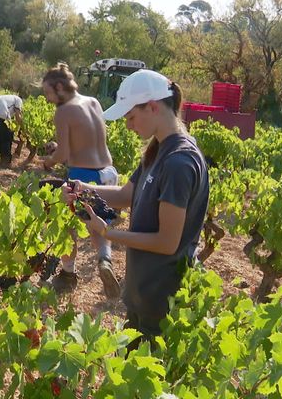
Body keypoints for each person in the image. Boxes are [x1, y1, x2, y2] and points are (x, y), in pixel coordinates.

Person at [64, 70, 209, 341]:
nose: (129, 126)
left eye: (131, 117)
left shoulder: (179, 162)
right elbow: (124, 195)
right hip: (143, 292)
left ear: (153, 107)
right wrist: (82, 189)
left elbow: (167, 242)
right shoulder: (157, 151)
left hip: (162, 302)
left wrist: (107, 233)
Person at [41, 62, 120, 299]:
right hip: (107, 173)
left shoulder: (63, 111)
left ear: (59, 87)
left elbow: (64, 154)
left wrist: (48, 162)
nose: (48, 99)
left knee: (67, 227)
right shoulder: (93, 102)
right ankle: (105, 260)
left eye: (48, 93)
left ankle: (67, 274)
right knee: (97, 222)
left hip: (83, 176)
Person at [0, 94, 23, 167]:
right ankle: (5, 163)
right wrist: (23, 128)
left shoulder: (8, 98)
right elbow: (18, 116)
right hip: (2, 112)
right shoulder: (19, 100)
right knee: (6, 138)